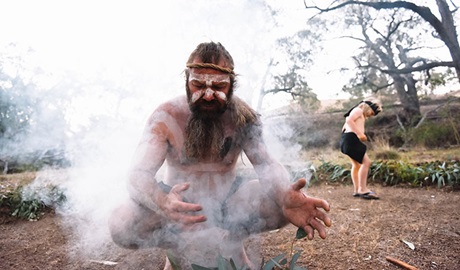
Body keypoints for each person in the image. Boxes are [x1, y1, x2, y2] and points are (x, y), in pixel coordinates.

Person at [108, 41, 331, 269]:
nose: (207, 95)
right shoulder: (166, 116)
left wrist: (283, 194)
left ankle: (232, 245)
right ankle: (176, 252)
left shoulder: (243, 117)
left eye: (219, 87)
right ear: (186, 81)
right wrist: (162, 201)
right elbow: (138, 174)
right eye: (197, 85)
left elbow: (267, 164)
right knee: (122, 222)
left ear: (232, 84)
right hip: (179, 208)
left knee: (279, 204)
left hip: (228, 204)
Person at [340, 98, 382, 200]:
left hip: (347, 139)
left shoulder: (356, 112)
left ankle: (357, 190)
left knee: (356, 165)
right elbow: (349, 120)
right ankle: (362, 189)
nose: (371, 115)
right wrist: (359, 134)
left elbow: (345, 125)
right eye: (372, 113)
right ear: (368, 107)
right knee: (366, 162)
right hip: (351, 138)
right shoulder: (358, 110)